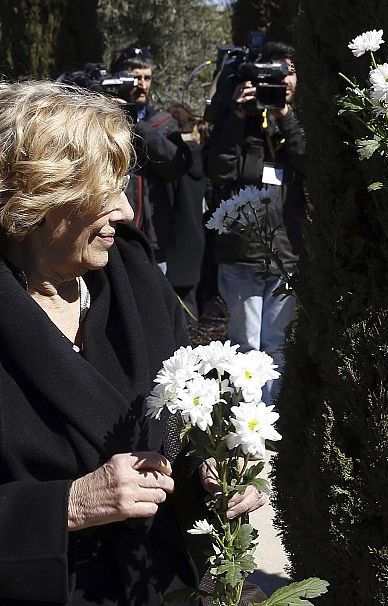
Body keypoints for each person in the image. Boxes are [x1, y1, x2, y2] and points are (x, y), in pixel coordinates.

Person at [0, 81, 265, 605]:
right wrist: (67, 506)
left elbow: (179, 421)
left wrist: (213, 469)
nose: (125, 212)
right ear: (36, 200)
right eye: (104, 193)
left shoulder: (138, 284)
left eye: (124, 188)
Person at [204, 41, 306, 405]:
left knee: (276, 343)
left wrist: (285, 117)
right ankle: (245, 420)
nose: (282, 81)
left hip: (286, 252)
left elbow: (310, 162)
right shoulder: (239, 118)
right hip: (241, 253)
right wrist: (236, 115)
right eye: (273, 73)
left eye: (288, 72)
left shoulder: (299, 120)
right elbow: (218, 170)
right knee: (245, 344)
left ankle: (271, 418)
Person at [111, 46, 192, 274]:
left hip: (153, 238)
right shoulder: (102, 119)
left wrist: (135, 124)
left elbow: (176, 165)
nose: (142, 85)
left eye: (147, 78)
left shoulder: (163, 123)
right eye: (136, 78)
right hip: (113, 234)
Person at [164, 103, 208, 324]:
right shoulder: (202, 156)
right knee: (190, 307)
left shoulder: (172, 163)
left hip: (174, 244)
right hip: (197, 240)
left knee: (173, 313)